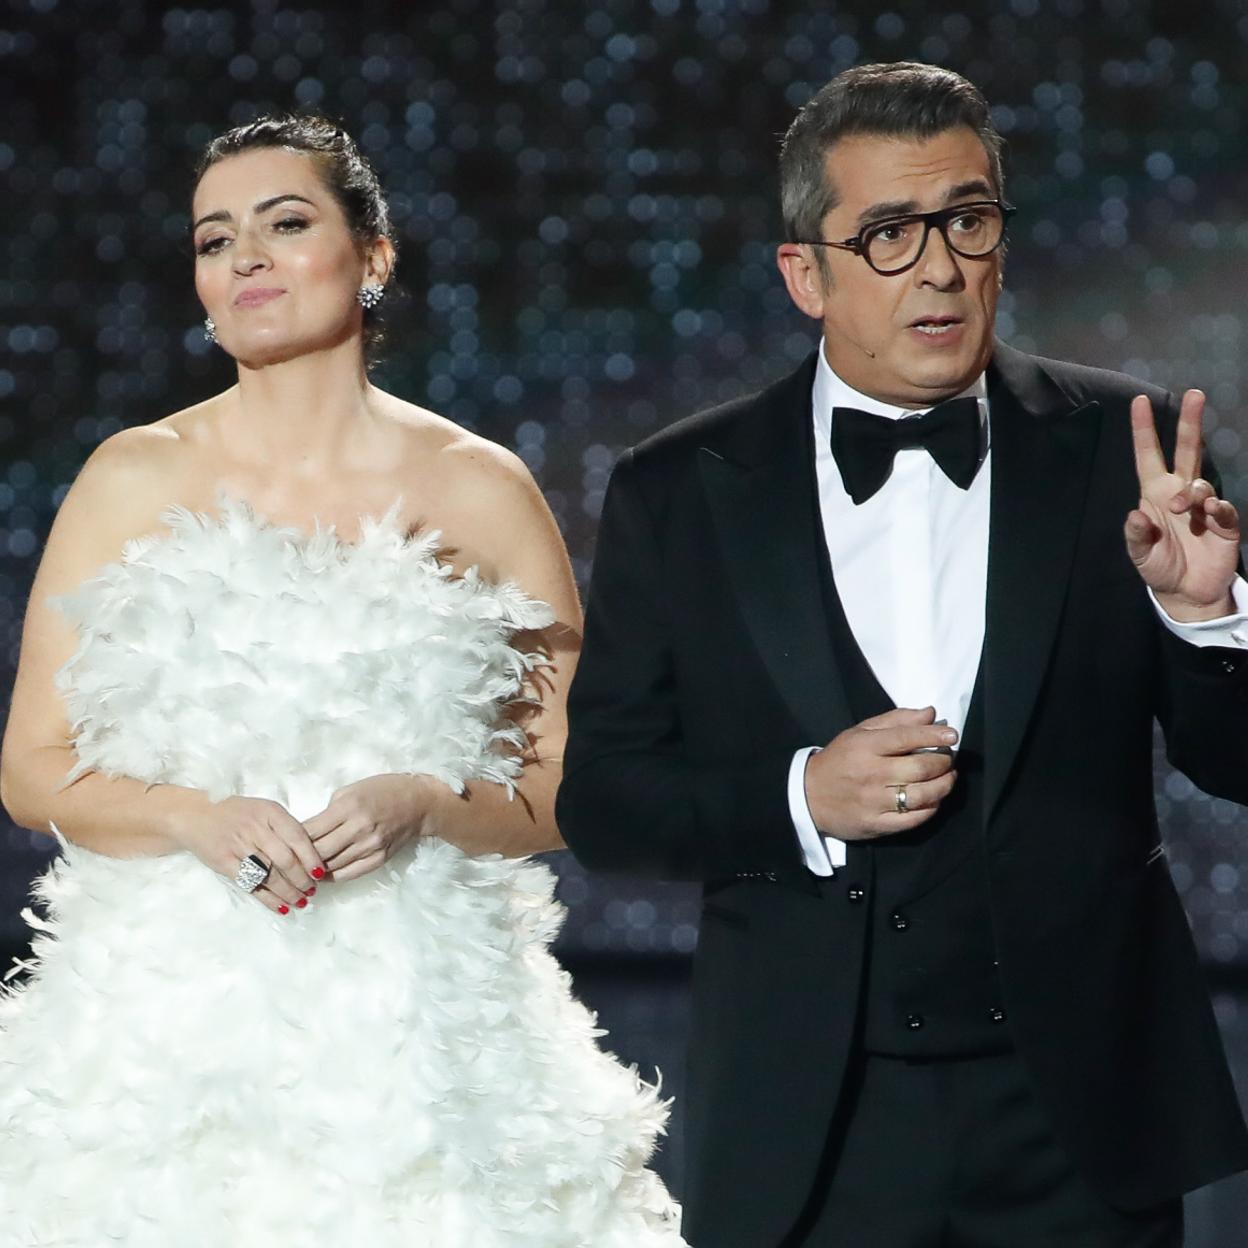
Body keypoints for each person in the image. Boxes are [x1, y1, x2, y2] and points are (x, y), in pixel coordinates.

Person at [557, 61, 1248, 1248]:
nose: (938, 268)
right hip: (809, 1128)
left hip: (1083, 1122)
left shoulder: (1125, 453)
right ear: (804, 275)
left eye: (967, 222)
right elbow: (606, 802)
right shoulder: (681, 490)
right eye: (887, 234)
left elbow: (1233, 763)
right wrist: (803, 797)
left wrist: (1206, 616)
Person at [0, 115, 686, 1247]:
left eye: (284, 223)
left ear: (373, 255)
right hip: (160, 1035)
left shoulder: (480, 489)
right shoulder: (132, 478)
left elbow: (573, 782)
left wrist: (426, 802)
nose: (246, 258)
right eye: (215, 239)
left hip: (425, 1032)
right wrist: (193, 817)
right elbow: (32, 768)